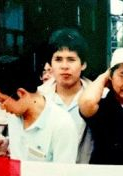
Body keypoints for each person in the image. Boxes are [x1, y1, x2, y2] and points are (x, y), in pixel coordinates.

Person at [0, 55, 78, 163]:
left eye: (1, 100)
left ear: (21, 93)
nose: (1, 107)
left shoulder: (62, 125)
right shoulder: (13, 114)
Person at [38, 28, 93, 163]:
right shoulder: (38, 96)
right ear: (50, 64)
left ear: (83, 64)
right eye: (58, 59)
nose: (64, 66)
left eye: (71, 59)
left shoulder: (99, 96)